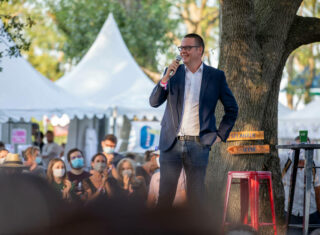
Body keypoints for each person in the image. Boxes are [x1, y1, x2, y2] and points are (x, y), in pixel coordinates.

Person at [149, 33, 238, 207]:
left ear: (200, 50)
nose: (183, 51)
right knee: (165, 195)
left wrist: (220, 134)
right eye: (181, 48)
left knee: (196, 197)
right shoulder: (173, 73)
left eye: (187, 48)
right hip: (170, 143)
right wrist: (165, 77)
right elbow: (154, 102)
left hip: (199, 144)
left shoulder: (216, 76)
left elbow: (232, 108)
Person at [282, 136, 320, 234]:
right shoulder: (286, 163)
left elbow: (318, 191)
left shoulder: (315, 165)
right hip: (292, 213)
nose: (302, 151)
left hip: (312, 213)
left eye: (305, 148)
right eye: (299, 147)